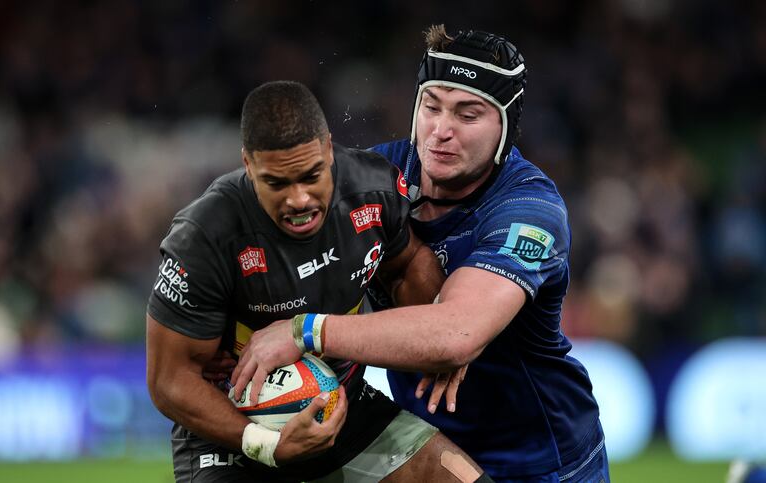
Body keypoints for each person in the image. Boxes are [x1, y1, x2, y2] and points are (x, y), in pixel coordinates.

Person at [231, 26, 611, 482]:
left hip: (539, 464)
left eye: (468, 116)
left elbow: (456, 335)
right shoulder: (372, 178)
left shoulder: (528, 209)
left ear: (506, 127)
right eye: (431, 107)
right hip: (421, 452)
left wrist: (306, 330)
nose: (441, 131)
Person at [146, 80, 494, 482]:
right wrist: (265, 444)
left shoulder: (374, 189)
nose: (299, 199)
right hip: (234, 432)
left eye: (312, 175)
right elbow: (169, 379)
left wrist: (436, 330)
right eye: (276, 183)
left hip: (343, 405)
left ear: (329, 148)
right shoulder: (205, 236)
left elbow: (408, 261)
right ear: (247, 164)